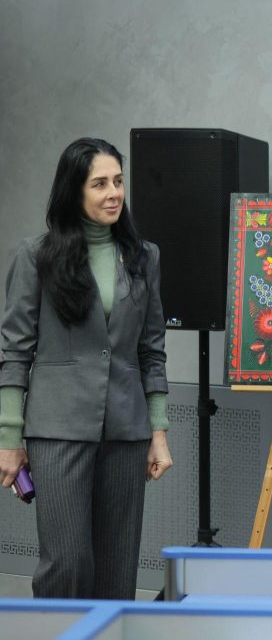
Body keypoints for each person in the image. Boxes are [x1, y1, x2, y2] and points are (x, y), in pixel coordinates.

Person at [0, 137, 172, 599]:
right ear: (73, 190)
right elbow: (14, 353)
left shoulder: (145, 257)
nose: (114, 193)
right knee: (67, 562)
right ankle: (60, 630)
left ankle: (112, 631)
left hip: (126, 431)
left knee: (118, 568)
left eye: (118, 181)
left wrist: (158, 432)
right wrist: (9, 439)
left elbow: (151, 351)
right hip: (57, 430)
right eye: (100, 184)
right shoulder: (36, 256)